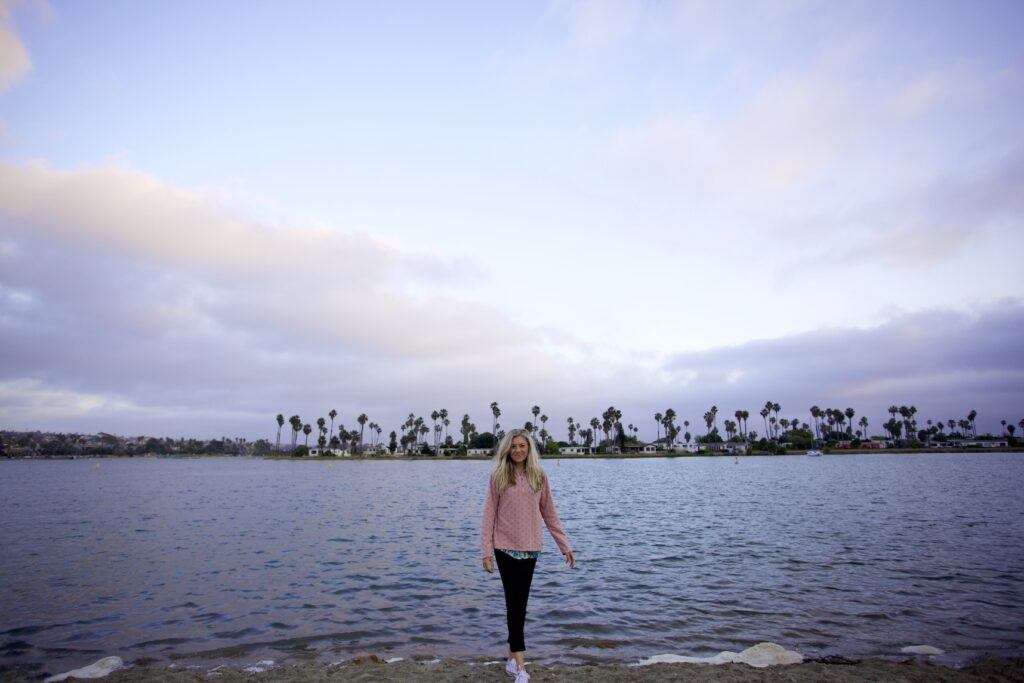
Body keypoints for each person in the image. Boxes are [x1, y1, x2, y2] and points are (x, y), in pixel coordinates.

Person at [480, 428, 576, 682]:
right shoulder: (498, 475)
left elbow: (550, 514)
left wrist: (564, 545)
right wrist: (486, 552)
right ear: (507, 450)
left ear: (529, 448)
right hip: (504, 547)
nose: (518, 450)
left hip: (531, 548)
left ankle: (512, 659)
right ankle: (521, 668)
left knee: (519, 605)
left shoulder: (539, 475)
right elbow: (488, 515)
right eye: (514, 446)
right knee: (515, 604)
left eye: (523, 445)